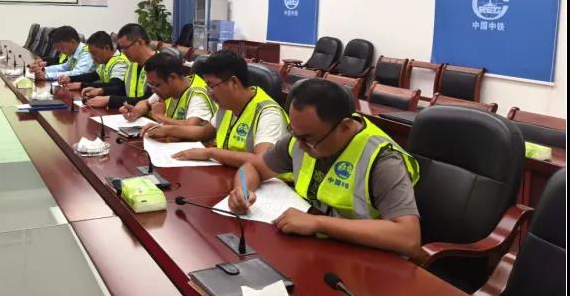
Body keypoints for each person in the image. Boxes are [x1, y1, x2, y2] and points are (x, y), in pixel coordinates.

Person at [227, 79, 421, 257]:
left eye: (308, 139)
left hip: (366, 258)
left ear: (345, 127)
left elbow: (408, 238)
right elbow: (253, 166)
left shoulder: (383, 161)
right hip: (317, 248)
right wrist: (242, 190)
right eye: (294, 133)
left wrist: (318, 223)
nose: (299, 146)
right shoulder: (302, 137)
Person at [144, 50, 287, 168]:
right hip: (231, 173)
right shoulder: (227, 105)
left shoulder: (268, 113)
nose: (209, 92)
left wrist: (211, 153)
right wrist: (166, 129)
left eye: (211, 85)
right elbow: (203, 133)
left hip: (270, 186)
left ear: (233, 82)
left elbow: (262, 161)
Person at [123, 52, 215, 125]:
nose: (153, 90)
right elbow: (146, 103)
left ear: (172, 77)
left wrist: (159, 116)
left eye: (156, 85)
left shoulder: (198, 95)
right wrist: (136, 111)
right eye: (151, 85)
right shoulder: (168, 90)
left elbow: (192, 126)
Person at [81, 23, 155, 109]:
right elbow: (123, 89)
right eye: (121, 48)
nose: (123, 52)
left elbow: (147, 100)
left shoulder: (159, 65)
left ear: (140, 42)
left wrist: (109, 100)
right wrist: (102, 91)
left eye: (125, 48)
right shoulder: (133, 65)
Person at [59, 31, 129, 90]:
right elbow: (92, 76)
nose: (92, 58)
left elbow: (114, 85)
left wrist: (82, 85)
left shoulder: (120, 62)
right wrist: (70, 78)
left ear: (106, 48)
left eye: (94, 53)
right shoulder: (105, 61)